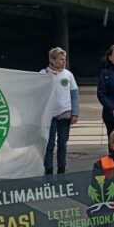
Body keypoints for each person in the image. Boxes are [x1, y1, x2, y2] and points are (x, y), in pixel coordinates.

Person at [40, 47, 79, 175]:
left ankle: (62, 169)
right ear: (52, 59)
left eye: (65, 59)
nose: (64, 62)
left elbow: (74, 94)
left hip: (65, 114)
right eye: (61, 59)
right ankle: (49, 169)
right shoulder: (43, 74)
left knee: (63, 143)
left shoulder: (68, 75)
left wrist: (75, 113)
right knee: (49, 144)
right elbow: (37, 94)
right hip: (49, 116)